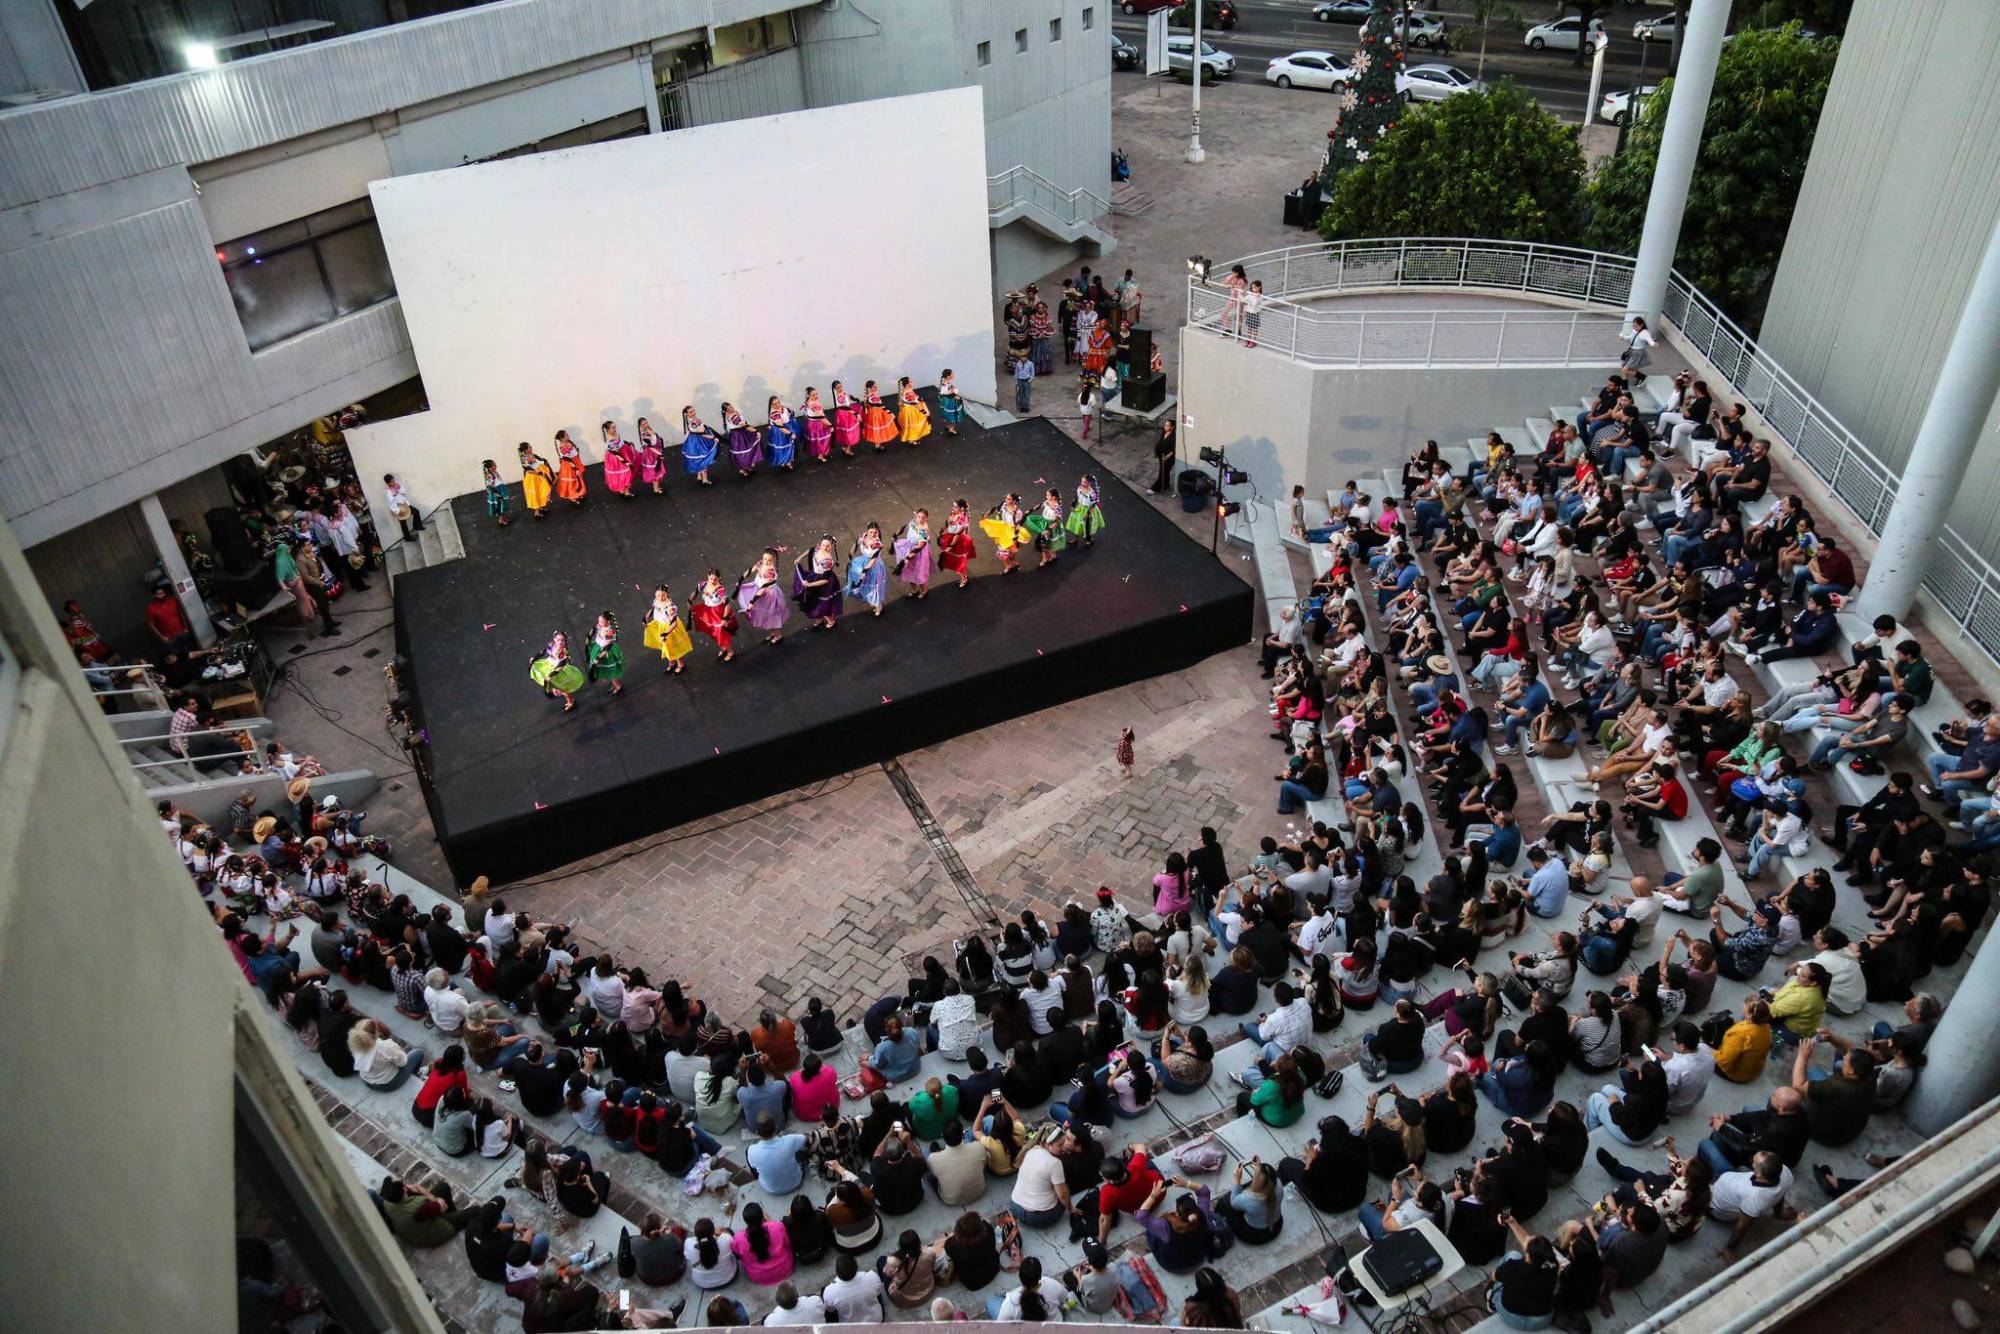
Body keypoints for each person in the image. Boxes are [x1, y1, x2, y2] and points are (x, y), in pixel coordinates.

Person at [1710, 1151, 1799, 1260]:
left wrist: (1729, 1248)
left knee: (1705, 1146)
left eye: (1754, 1163)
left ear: (1759, 1174)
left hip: (1714, 1205)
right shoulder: (1785, 1172)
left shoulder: (1753, 1197)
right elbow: (1781, 1192)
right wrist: (1779, 1212)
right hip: (1730, 1180)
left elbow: (1742, 1225)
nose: (1752, 1162)